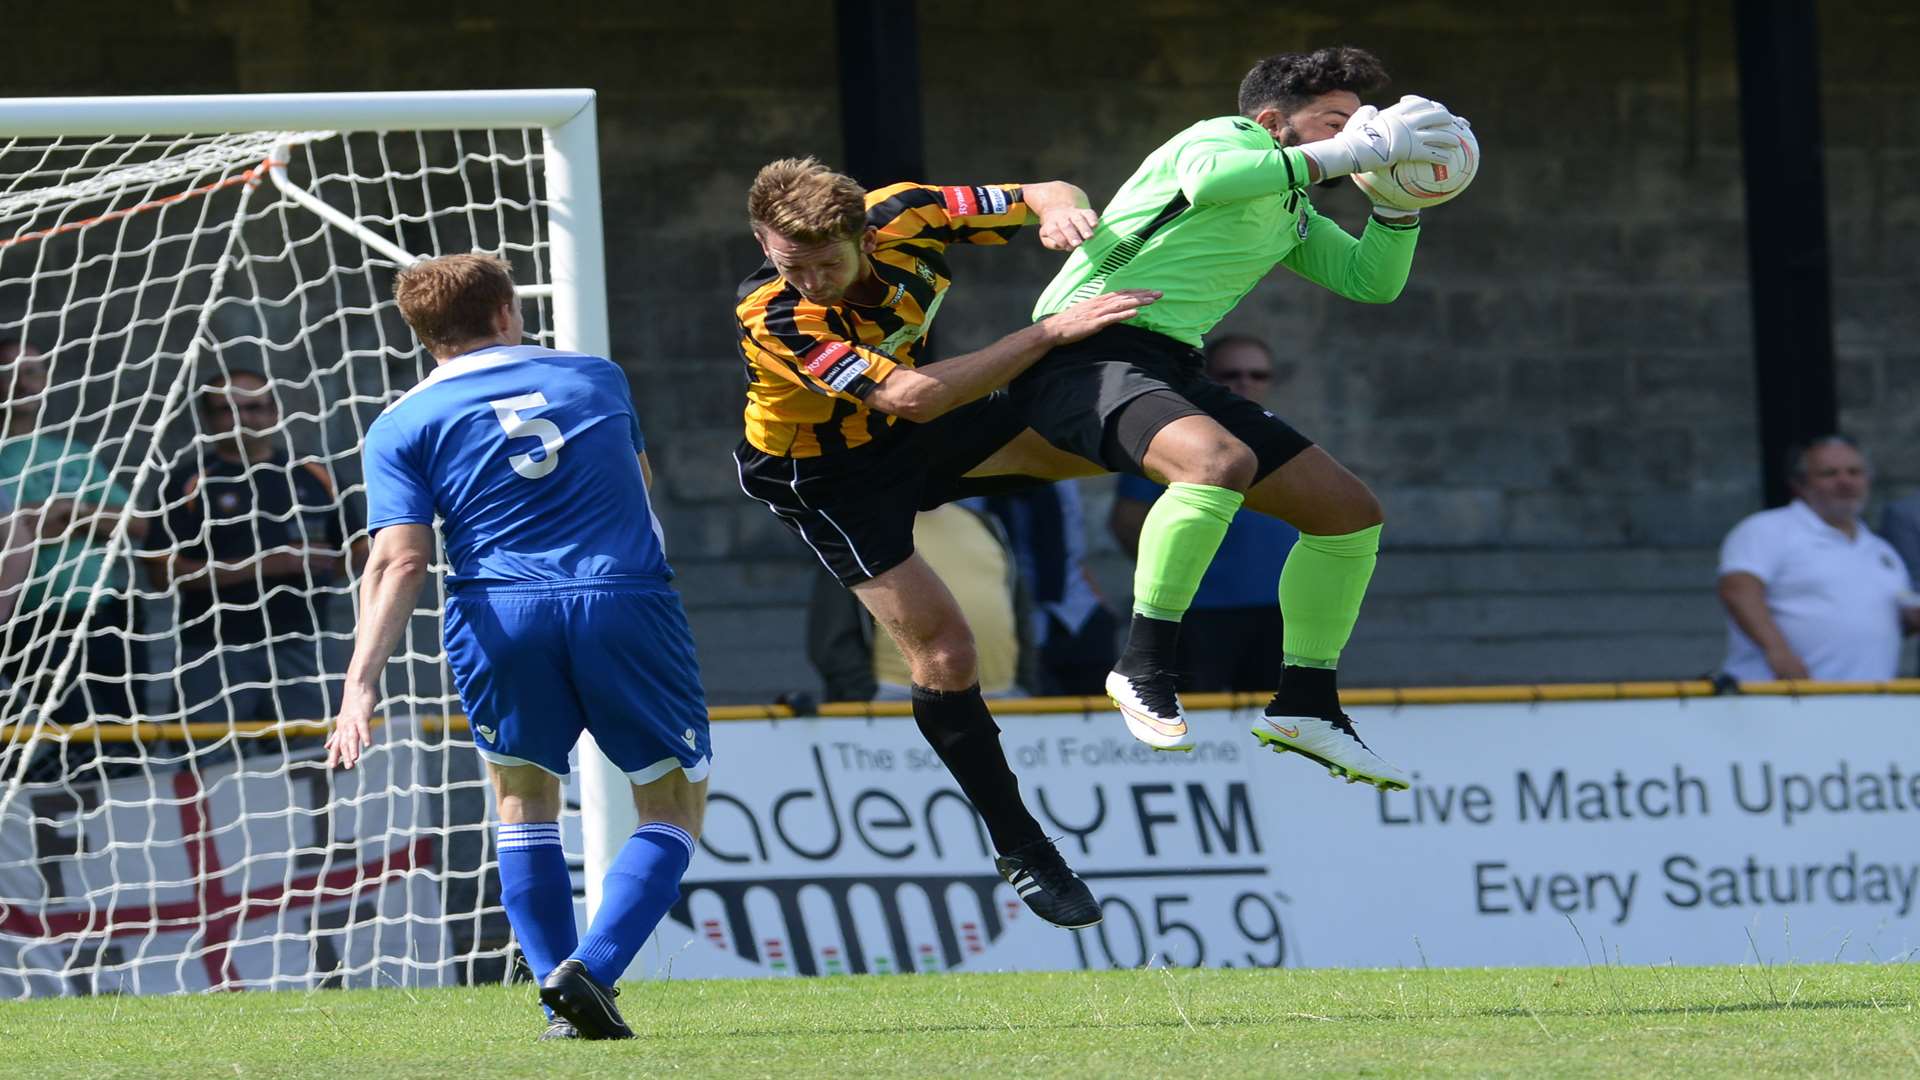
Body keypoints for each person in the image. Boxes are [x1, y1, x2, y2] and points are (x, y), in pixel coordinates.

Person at [997, 46, 1462, 790]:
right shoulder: (1220, 139)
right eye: (1336, 122)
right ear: (1274, 121)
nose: (1360, 136)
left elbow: (1369, 283)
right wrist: (1353, 150)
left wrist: (1397, 205)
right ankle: (1142, 664)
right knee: (1215, 465)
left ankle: (1306, 704)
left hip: (1172, 360)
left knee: (1349, 513)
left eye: (1362, 125)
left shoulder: (1289, 205)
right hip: (1080, 346)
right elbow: (1210, 180)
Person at [732, 157, 1157, 929]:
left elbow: (1044, 191)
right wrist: (1048, 329)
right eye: (792, 263)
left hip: (904, 438)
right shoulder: (776, 314)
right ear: (764, 240)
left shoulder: (909, 211)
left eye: (828, 261)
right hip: (826, 479)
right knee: (948, 655)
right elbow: (913, 395)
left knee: (1094, 434)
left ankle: (1241, 470)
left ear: (864, 231)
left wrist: (1065, 211)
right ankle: (1025, 847)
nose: (814, 280)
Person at [327, 254, 707, 1042]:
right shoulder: (596, 378)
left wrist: (360, 685)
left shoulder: (399, 423)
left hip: (497, 612)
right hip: (621, 600)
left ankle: (556, 1001)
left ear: (421, 333)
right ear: (506, 312)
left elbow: (400, 559)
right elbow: (638, 483)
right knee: (672, 804)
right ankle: (590, 972)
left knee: (523, 799)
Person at [145, 370, 356, 729]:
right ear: (209, 421)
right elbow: (160, 572)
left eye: (255, 407)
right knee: (209, 764)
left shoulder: (315, 474)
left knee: (319, 761)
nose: (243, 419)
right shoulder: (188, 481)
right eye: (227, 410)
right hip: (214, 650)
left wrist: (322, 564)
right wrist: (264, 565)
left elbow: (358, 548)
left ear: (274, 412)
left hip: (304, 642)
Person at [1108, 335, 1299, 691]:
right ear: (1207, 377)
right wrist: (1176, 576)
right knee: (1196, 719)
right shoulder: (1173, 436)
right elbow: (1127, 520)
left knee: (1280, 720)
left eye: (1258, 375)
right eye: (1231, 374)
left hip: (1280, 610)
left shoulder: (1286, 437)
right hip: (1196, 610)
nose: (1245, 383)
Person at [0, 340, 148, 726]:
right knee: (64, 732)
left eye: (32, 371)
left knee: (125, 726)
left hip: (105, 609)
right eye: (9, 372)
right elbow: (22, 532)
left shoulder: (74, 453)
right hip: (31, 619)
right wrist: (28, 529)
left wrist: (72, 510)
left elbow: (136, 522)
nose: (22, 382)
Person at [1716, 435, 1919, 682]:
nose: (1845, 482)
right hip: (1781, 697)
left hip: (1867, 703)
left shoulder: (1882, 551)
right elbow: (1738, 591)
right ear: (1800, 484)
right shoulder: (1768, 529)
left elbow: (1887, 623)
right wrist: (1778, 652)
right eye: (1829, 473)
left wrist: (1910, 621)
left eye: (1854, 472)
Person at [807, 501, 1035, 701]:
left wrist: (1025, 689)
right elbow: (831, 636)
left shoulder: (985, 524)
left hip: (1005, 701)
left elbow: (1020, 613)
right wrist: (869, 699)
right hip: (898, 704)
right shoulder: (860, 527)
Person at [983, 482, 1120, 696]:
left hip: (1078, 615)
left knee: (1104, 717)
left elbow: (1074, 551)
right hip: (1010, 623)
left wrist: (1102, 606)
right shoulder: (966, 490)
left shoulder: (1063, 478)